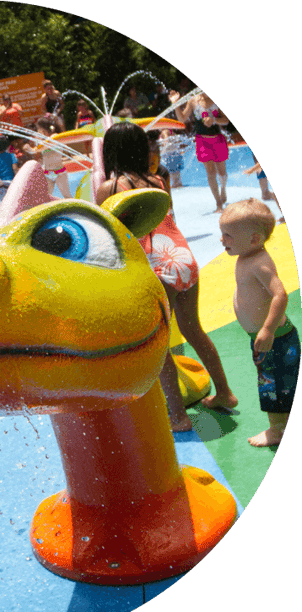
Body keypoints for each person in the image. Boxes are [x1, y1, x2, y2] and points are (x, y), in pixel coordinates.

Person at [96, 122, 237, 431]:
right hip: (181, 256)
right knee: (193, 329)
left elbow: (107, 233)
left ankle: (178, 417)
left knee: (159, 344)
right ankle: (225, 393)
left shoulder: (109, 187)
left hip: (154, 264)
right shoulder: (158, 180)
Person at [219, 199, 299, 447]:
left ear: (254, 239)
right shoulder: (246, 257)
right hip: (267, 339)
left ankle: (277, 430)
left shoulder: (259, 262)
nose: (223, 240)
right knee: (283, 382)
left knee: (273, 385)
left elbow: (280, 295)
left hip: (274, 339)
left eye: (228, 236)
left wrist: (267, 329)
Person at [169, 90, 230, 212]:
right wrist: (175, 103)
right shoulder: (193, 100)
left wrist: (214, 120)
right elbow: (182, 119)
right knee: (211, 173)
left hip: (217, 140)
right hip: (202, 141)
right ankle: (218, 204)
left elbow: (226, 120)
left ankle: (223, 190)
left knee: (222, 174)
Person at [36, 115, 71, 199]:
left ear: (44, 128)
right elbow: (39, 152)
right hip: (48, 172)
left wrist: (32, 149)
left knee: (67, 196)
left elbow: (44, 147)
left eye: (39, 128)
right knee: (46, 197)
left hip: (59, 172)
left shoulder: (54, 136)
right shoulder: (42, 140)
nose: (38, 130)